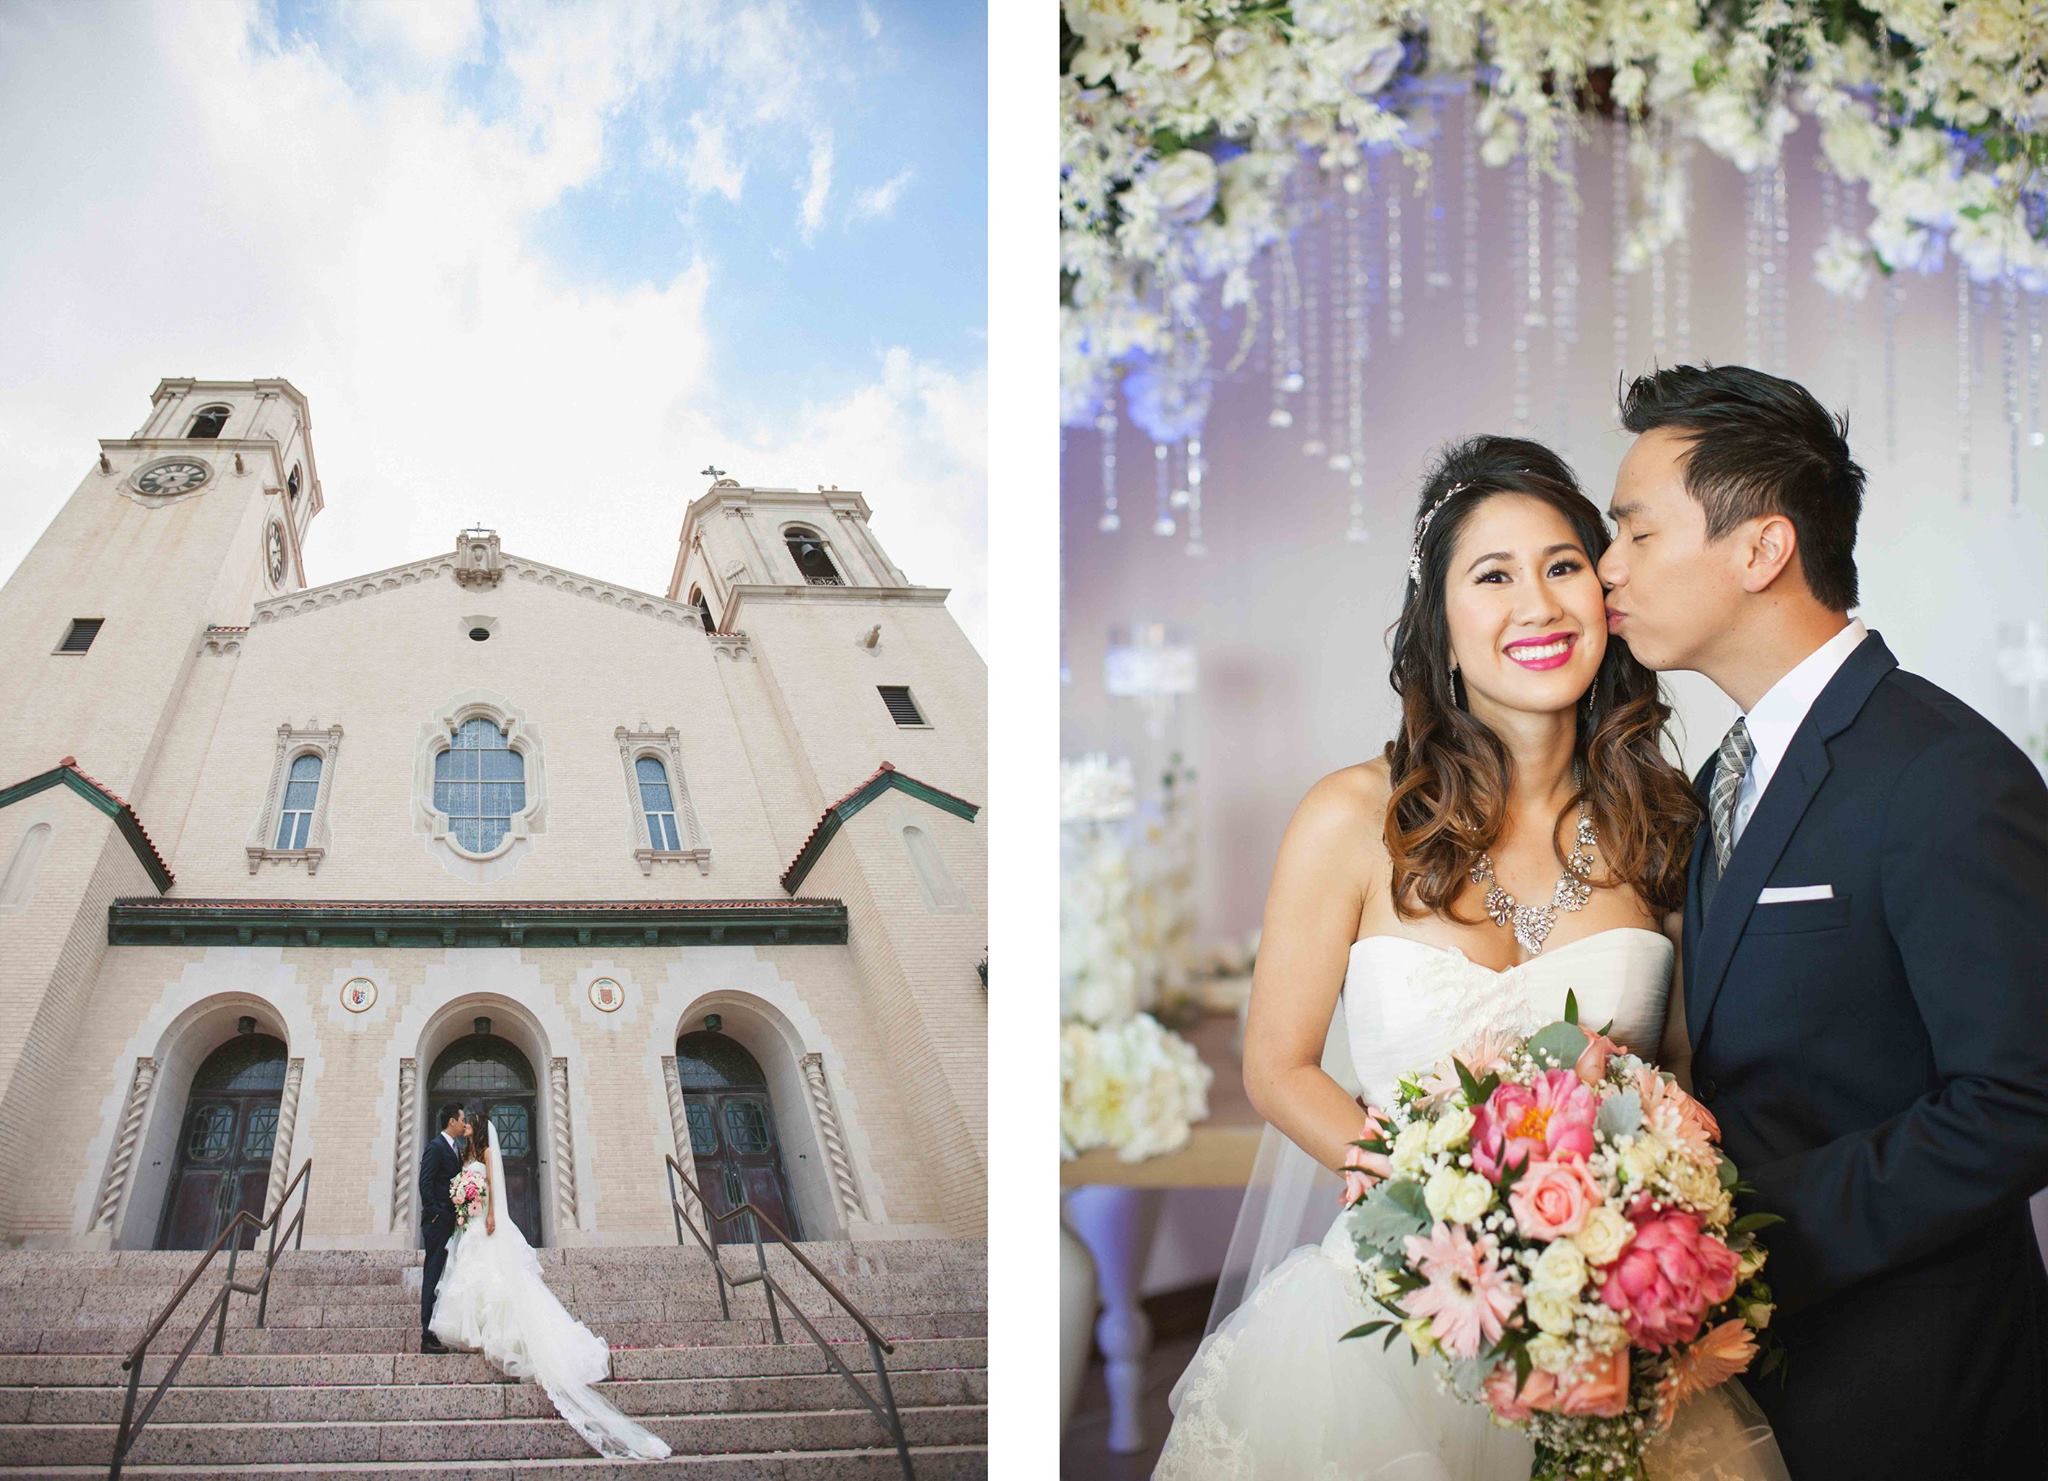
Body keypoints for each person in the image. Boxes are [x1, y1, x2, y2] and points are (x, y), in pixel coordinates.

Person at [1154, 435, 1787, 1480]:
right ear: (1440, 626)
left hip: (1606, 1324)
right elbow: (1277, 1067)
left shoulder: (1664, 824)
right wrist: (1454, 1224)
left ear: (1605, 597)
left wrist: (1614, 1249)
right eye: (1490, 575)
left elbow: (1677, 1077)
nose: (1535, 605)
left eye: (1561, 565)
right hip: (1395, 1308)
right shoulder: (1350, 814)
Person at [1601, 363, 2048, 1478]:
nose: (1605, 569)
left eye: (1634, 533)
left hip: (1913, 1388)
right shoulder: (1723, 773)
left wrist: (1730, 1230)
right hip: (1751, 1381)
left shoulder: (1943, 774)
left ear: (1759, 549)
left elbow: (2021, 1099)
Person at [430, 1114, 673, 1460]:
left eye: (469, 1122)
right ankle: (476, 1333)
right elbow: (469, 1186)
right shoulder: (467, 1154)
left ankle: (503, 1335)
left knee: (495, 1281)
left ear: (479, 1127)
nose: (464, 1125)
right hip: (468, 1225)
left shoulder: (486, 1154)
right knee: (473, 1279)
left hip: (486, 1222)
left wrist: (490, 1215)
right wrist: (465, 1202)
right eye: (462, 1121)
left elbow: (494, 1189)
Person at [417, 1102, 467, 1354]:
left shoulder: (456, 1149)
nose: (464, 1123)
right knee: (433, 1273)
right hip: (438, 1222)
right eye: (462, 1119)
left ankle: (438, 1327)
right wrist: (435, 1213)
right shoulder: (436, 1147)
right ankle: (427, 1333)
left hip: (451, 1221)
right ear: (451, 1121)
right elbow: (425, 1182)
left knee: (444, 1275)